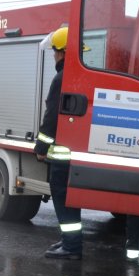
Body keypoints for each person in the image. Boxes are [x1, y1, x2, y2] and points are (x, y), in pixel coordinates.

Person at [35, 26, 85, 260]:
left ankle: (72, 246)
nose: (54, 56)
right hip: (76, 151)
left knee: (63, 199)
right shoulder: (81, 76)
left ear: (63, 52)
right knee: (70, 200)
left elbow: (52, 116)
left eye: (55, 51)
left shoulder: (61, 78)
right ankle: (69, 241)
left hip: (62, 155)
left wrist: (41, 147)